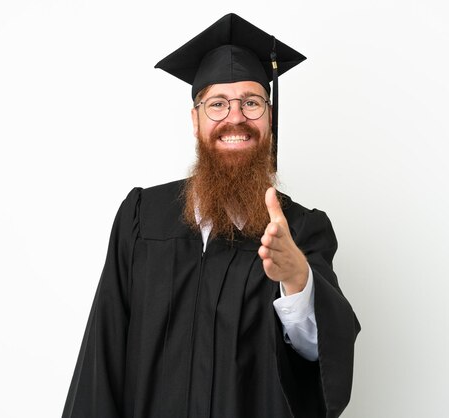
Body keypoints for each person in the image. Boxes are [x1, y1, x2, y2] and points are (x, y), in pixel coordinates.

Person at [62, 13, 360, 418]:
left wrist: (297, 279)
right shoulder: (141, 217)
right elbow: (104, 350)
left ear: (269, 119)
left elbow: (320, 359)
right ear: (195, 120)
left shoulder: (301, 230)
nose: (235, 118)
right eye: (217, 104)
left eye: (251, 103)